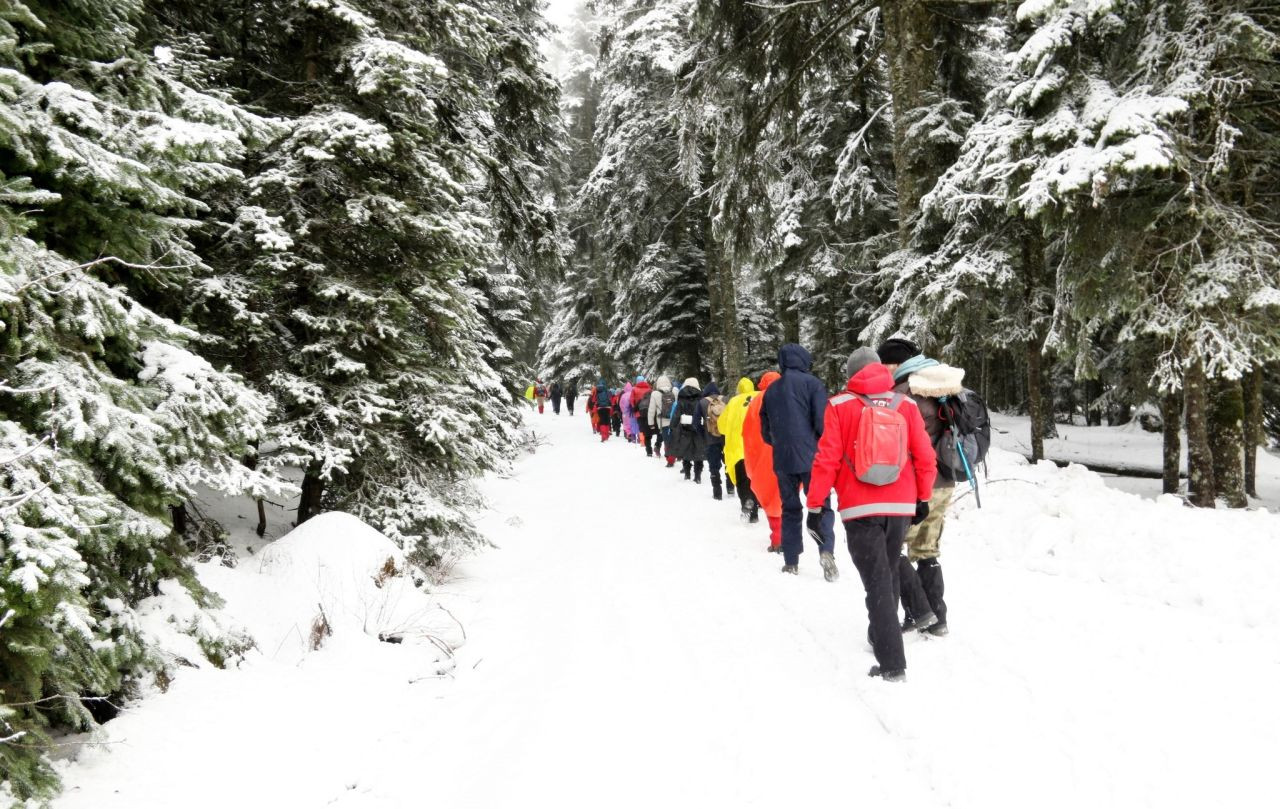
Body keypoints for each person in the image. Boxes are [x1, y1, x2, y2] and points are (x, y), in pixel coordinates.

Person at [805, 348, 937, 682]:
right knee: (888, 572)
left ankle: (892, 665)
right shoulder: (905, 404)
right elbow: (924, 455)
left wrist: (815, 505)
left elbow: (827, 460)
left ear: (851, 372)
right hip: (901, 505)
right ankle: (881, 635)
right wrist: (922, 497)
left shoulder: (838, 405)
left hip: (860, 508)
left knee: (877, 581)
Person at [878, 338, 969, 637]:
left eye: (885, 363)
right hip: (946, 477)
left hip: (918, 484)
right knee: (928, 548)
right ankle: (938, 619)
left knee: (896, 547)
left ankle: (920, 612)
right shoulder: (943, 383)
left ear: (894, 363)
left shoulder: (904, 393)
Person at [760, 344, 837, 581]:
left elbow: (765, 431)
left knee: (790, 508)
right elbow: (822, 423)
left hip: (782, 458)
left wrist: (782, 442)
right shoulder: (813, 384)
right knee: (820, 505)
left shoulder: (771, 391)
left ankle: (791, 561)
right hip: (811, 457)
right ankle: (826, 550)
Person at [743, 371, 783, 551]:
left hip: (762, 455)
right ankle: (786, 537)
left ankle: (777, 537)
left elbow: (748, 431)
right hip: (786, 454)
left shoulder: (756, 402)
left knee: (769, 495)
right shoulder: (788, 397)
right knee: (784, 497)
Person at [719, 376, 759, 522]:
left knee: (743, 480)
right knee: (755, 479)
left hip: (738, 449)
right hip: (756, 448)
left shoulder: (734, 402)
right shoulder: (760, 397)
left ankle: (747, 501)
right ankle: (755, 509)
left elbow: (722, 426)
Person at [669, 378, 706, 482]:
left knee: (685, 451)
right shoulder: (701, 399)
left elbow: (676, 415)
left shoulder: (681, 399)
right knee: (699, 452)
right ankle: (697, 476)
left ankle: (687, 474)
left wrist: (672, 427)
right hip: (698, 429)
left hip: (684, 429)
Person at [700, 382, 728, 499]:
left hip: (710, 438)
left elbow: (696, 422)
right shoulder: (726, 399)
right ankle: (731, 487)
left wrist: (703, 434)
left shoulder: (702, 402)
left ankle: (717, 492)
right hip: (725, 437)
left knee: (713, 467)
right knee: (728, 462)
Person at [648, 375, 677, 464]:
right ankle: (676, 455)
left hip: (663, 422)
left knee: (667, 441)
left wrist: (651, 423)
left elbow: (651, 410)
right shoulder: (675, 391)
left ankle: (670, 459)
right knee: (675, 439)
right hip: (675, 420)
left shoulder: (655, 394)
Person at [631, 376, 654, 454]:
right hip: (649, 411)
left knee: (641, 427)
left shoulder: (634, 389)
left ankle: (642, 442)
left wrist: (634, 408)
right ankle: (647, 441)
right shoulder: (649, 389)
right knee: (648, 427)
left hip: (639, 411)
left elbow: (631, 400)